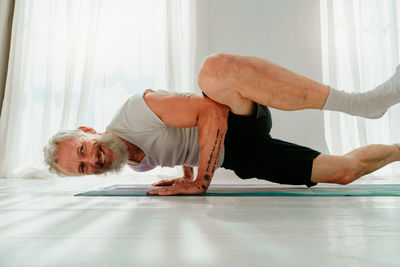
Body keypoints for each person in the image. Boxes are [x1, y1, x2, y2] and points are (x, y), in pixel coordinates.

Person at [43, 53, 400, 195]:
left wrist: (199, 183)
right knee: (344, 173)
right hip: (243, 156)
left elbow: (210, 113)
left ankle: (363, 104)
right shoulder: (132, 161)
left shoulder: (135, 111)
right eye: (84, 169)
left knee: (216, 71)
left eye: (83, 151)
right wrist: (185, 174)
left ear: (87, 131)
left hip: (236, 120)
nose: (94, 161)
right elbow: (178, 140)